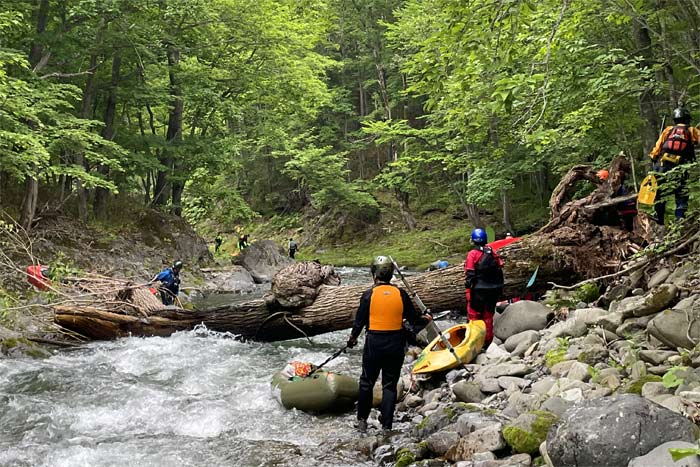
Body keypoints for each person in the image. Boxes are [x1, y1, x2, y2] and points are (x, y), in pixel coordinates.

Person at [347, 256, 431, 434]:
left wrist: (352, 339)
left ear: (374, 274)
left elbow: (359, 322)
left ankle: (362, 421)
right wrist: (425, 319)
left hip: (374, 343)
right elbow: (413, 318)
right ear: (390, 273)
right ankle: (386, 425)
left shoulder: (368, 294)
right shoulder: (401, 294)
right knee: (389, 385)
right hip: (396, 343)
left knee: (366, 382)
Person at [649, 106, 700, 225]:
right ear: (687, 119)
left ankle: (658, 218)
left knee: (660, 192)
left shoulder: (668, 130)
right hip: (681, 167)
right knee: (681, 193)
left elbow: (657, 148)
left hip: (663, 165)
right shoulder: (692, 131)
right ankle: (679, 219)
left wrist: (653, 157)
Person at [465, 228, 504, 350]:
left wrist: (468, 286)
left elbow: (470, 272)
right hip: (493, 290)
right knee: (488, 315)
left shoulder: (472, 254)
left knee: (474, 315)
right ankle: (487, 341)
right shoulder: (491, 251)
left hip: (478, 290)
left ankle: (475, 341)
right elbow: (500, 264)